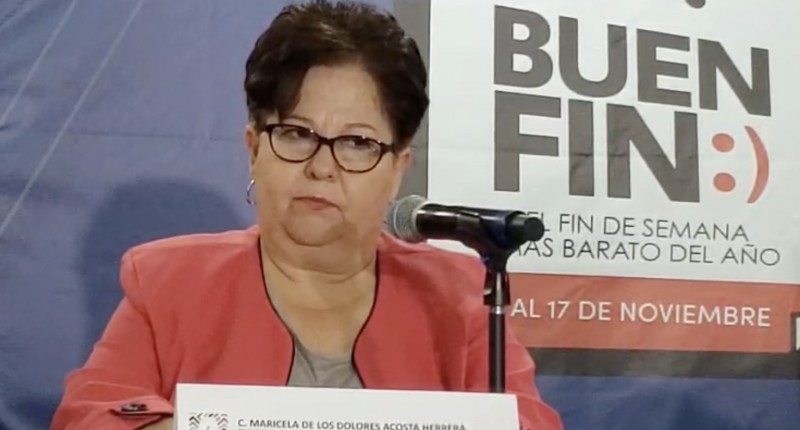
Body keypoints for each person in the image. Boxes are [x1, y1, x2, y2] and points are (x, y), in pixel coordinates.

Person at [50, 1, 564, 429]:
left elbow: (531, 421)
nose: (322, 167)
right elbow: (88, 414)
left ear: (396, 169)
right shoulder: (170, 283)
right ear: (255, 148)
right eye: (297, 134)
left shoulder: (459, 294)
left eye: (358, 142)